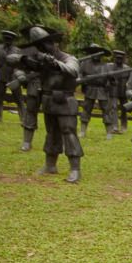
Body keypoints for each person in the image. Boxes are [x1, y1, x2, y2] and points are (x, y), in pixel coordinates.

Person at [17, 26, 82, 183]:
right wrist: (24, 60)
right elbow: (14, 60)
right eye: (38, 46)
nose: (42, 49)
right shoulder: (39, 60)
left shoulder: (68, 58)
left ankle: (75, 169)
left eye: (44, 45)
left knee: (69, 133)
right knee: (51, 132)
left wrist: (54, 64)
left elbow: (73, 71)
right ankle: (50, 165)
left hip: (65, 101)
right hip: (48, 101)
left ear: (54, 43)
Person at [8, 24, 45, 152]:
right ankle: (27, 142)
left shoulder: (52, 49)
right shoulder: (25, 51)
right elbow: (17, 67)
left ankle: (55, 142)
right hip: (33, 84)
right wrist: (21, 75)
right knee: (30, 112)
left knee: (54, 114)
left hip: (49, 85)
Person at [78, 43, 113, 139]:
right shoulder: (84, 64)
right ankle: (82, 131)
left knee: (106, 110)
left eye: (98, 53)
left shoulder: (106, 66)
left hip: (102, 90)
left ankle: (109, 132)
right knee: (86, 109)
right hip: (90, 89)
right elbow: (80, 75)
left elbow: (112, 80)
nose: (96, 55)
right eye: (93, 53)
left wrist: (110, 80)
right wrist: (82, 80)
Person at [108, 50, 131, 133]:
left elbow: (130, 80)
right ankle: (114, 126)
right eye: (117, 58)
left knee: (124, 108)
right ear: (114, 58)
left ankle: (124, 125)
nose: (119, 60)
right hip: (113, 90)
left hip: (123, 91)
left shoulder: (127, 68)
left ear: (123, 59)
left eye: (121, 58)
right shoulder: (110, 67)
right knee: (113, 108)